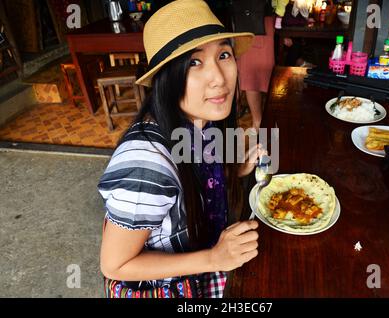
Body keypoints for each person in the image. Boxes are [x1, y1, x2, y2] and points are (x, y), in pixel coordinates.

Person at [98, 0, 264, 298]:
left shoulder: (203, 123)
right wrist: (214, 258)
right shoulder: (146, 164)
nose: (219, 78)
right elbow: (115, 265)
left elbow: (200, 180)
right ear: (166, 79)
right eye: (193, 62)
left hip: (204, 271)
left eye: (224, 54)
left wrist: (236, 169)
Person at [235, 0, 276, 131]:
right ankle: (257, 121)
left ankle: (257, 121)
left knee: (250, 70)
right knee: (250, 70)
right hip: (252, 16)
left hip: (254, 16)